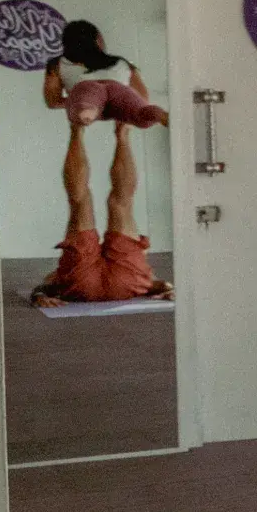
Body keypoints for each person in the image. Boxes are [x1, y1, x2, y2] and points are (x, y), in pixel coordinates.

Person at [34, 20, 169, 305]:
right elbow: (140, 97)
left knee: (81, 199)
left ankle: (79, 126)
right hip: (126, 281)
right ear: (98, 39)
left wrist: (75, 112)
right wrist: (122, 117)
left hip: (81, 284)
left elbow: (51, 100)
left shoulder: (58, 64)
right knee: (119, 202)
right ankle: (139, 127)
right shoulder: (122, 63)